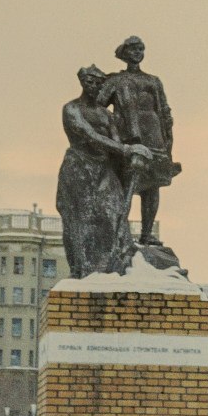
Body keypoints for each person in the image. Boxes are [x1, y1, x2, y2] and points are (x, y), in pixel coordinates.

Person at [56, 64, 148, 278]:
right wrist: (126, 150)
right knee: (79, 218)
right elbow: (88, 134)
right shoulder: (72, 109)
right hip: (78, 167)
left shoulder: (107, 116)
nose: (94, 86)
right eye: (90, 82)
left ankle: (114, 266)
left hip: (104, 168)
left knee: (114, 211)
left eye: (98, 83)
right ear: (82, 82)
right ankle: (81, 269)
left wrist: (133, 158)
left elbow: (115, 141)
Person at [97, 36, 176, 246]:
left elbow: (164, 110)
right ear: (124, 53)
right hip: (128, 137)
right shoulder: (115, 80)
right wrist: (112, 127)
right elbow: (99, 106)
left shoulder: (153, 81)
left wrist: (168, 140)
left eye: (140, 49)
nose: (137, 53)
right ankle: (120, 232)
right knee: (125, 184)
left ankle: (146, 233)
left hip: (154, 134)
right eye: (132, 49)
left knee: (152, 186)